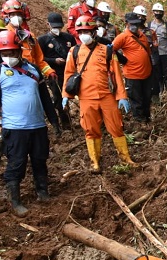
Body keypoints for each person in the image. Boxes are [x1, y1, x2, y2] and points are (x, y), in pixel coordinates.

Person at [61, 15, 134, 173]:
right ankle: (95, 161)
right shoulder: (74, 52)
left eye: (86, 31)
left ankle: (125, 158)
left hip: (107, 95)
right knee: (90, 129)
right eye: (80, 32)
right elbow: (68, 74)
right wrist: (66, 95)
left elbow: (117, 75)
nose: (83, 35)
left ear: (94, 32)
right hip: (86, 98)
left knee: (116, 127)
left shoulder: (107, 50)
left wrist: (122, 96)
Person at [0, 29, 52, 216]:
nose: (8, 57)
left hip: (37, 125)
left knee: (40, 159)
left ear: (19, 51)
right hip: (14, 128)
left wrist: (53, 120)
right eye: (4, 54)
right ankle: (15, 200)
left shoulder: (33, 70)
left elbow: (45, 97)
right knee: (16, 162)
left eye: (11, 53)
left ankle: (42, 191)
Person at [112, 12, 154, 123]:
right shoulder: (123, 37)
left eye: (136, 23)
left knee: (146, 98)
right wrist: (122, 59)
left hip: (147, 74)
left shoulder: (142, 35)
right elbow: (111, 49)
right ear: (126, 23)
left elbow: (148, 52)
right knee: (137, 100)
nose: (134, 26)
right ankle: (139, 121)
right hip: (133, 75)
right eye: (132, 24)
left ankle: (147, 118)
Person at [38, 12, 76, 130]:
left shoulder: (68, 38)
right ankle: (66, 123)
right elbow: (40, 58)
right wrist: (54, 60)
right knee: (58, 98)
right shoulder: (43, 40)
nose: (57, 29)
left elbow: (76, 52)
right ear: (48, 24)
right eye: (54, 27)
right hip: (54, 74)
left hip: (70, 72)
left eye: (58, 27)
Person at [3, 0, 57, 82]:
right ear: (7, 16)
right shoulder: (3, 36)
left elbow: (39, 59)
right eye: (13, 14)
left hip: (32, 76)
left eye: (19, 14)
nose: (16, 17)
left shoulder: (30, 36)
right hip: (12, 77)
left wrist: (49, 72)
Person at [148, 3, 167, 93]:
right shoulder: (149, 25)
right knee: (156, 73)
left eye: (160, 12)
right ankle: (159, 91)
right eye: (156, 11)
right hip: (154, 53)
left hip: (165, 53)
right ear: (153, 12)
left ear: (163, 13)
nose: (158, 13)